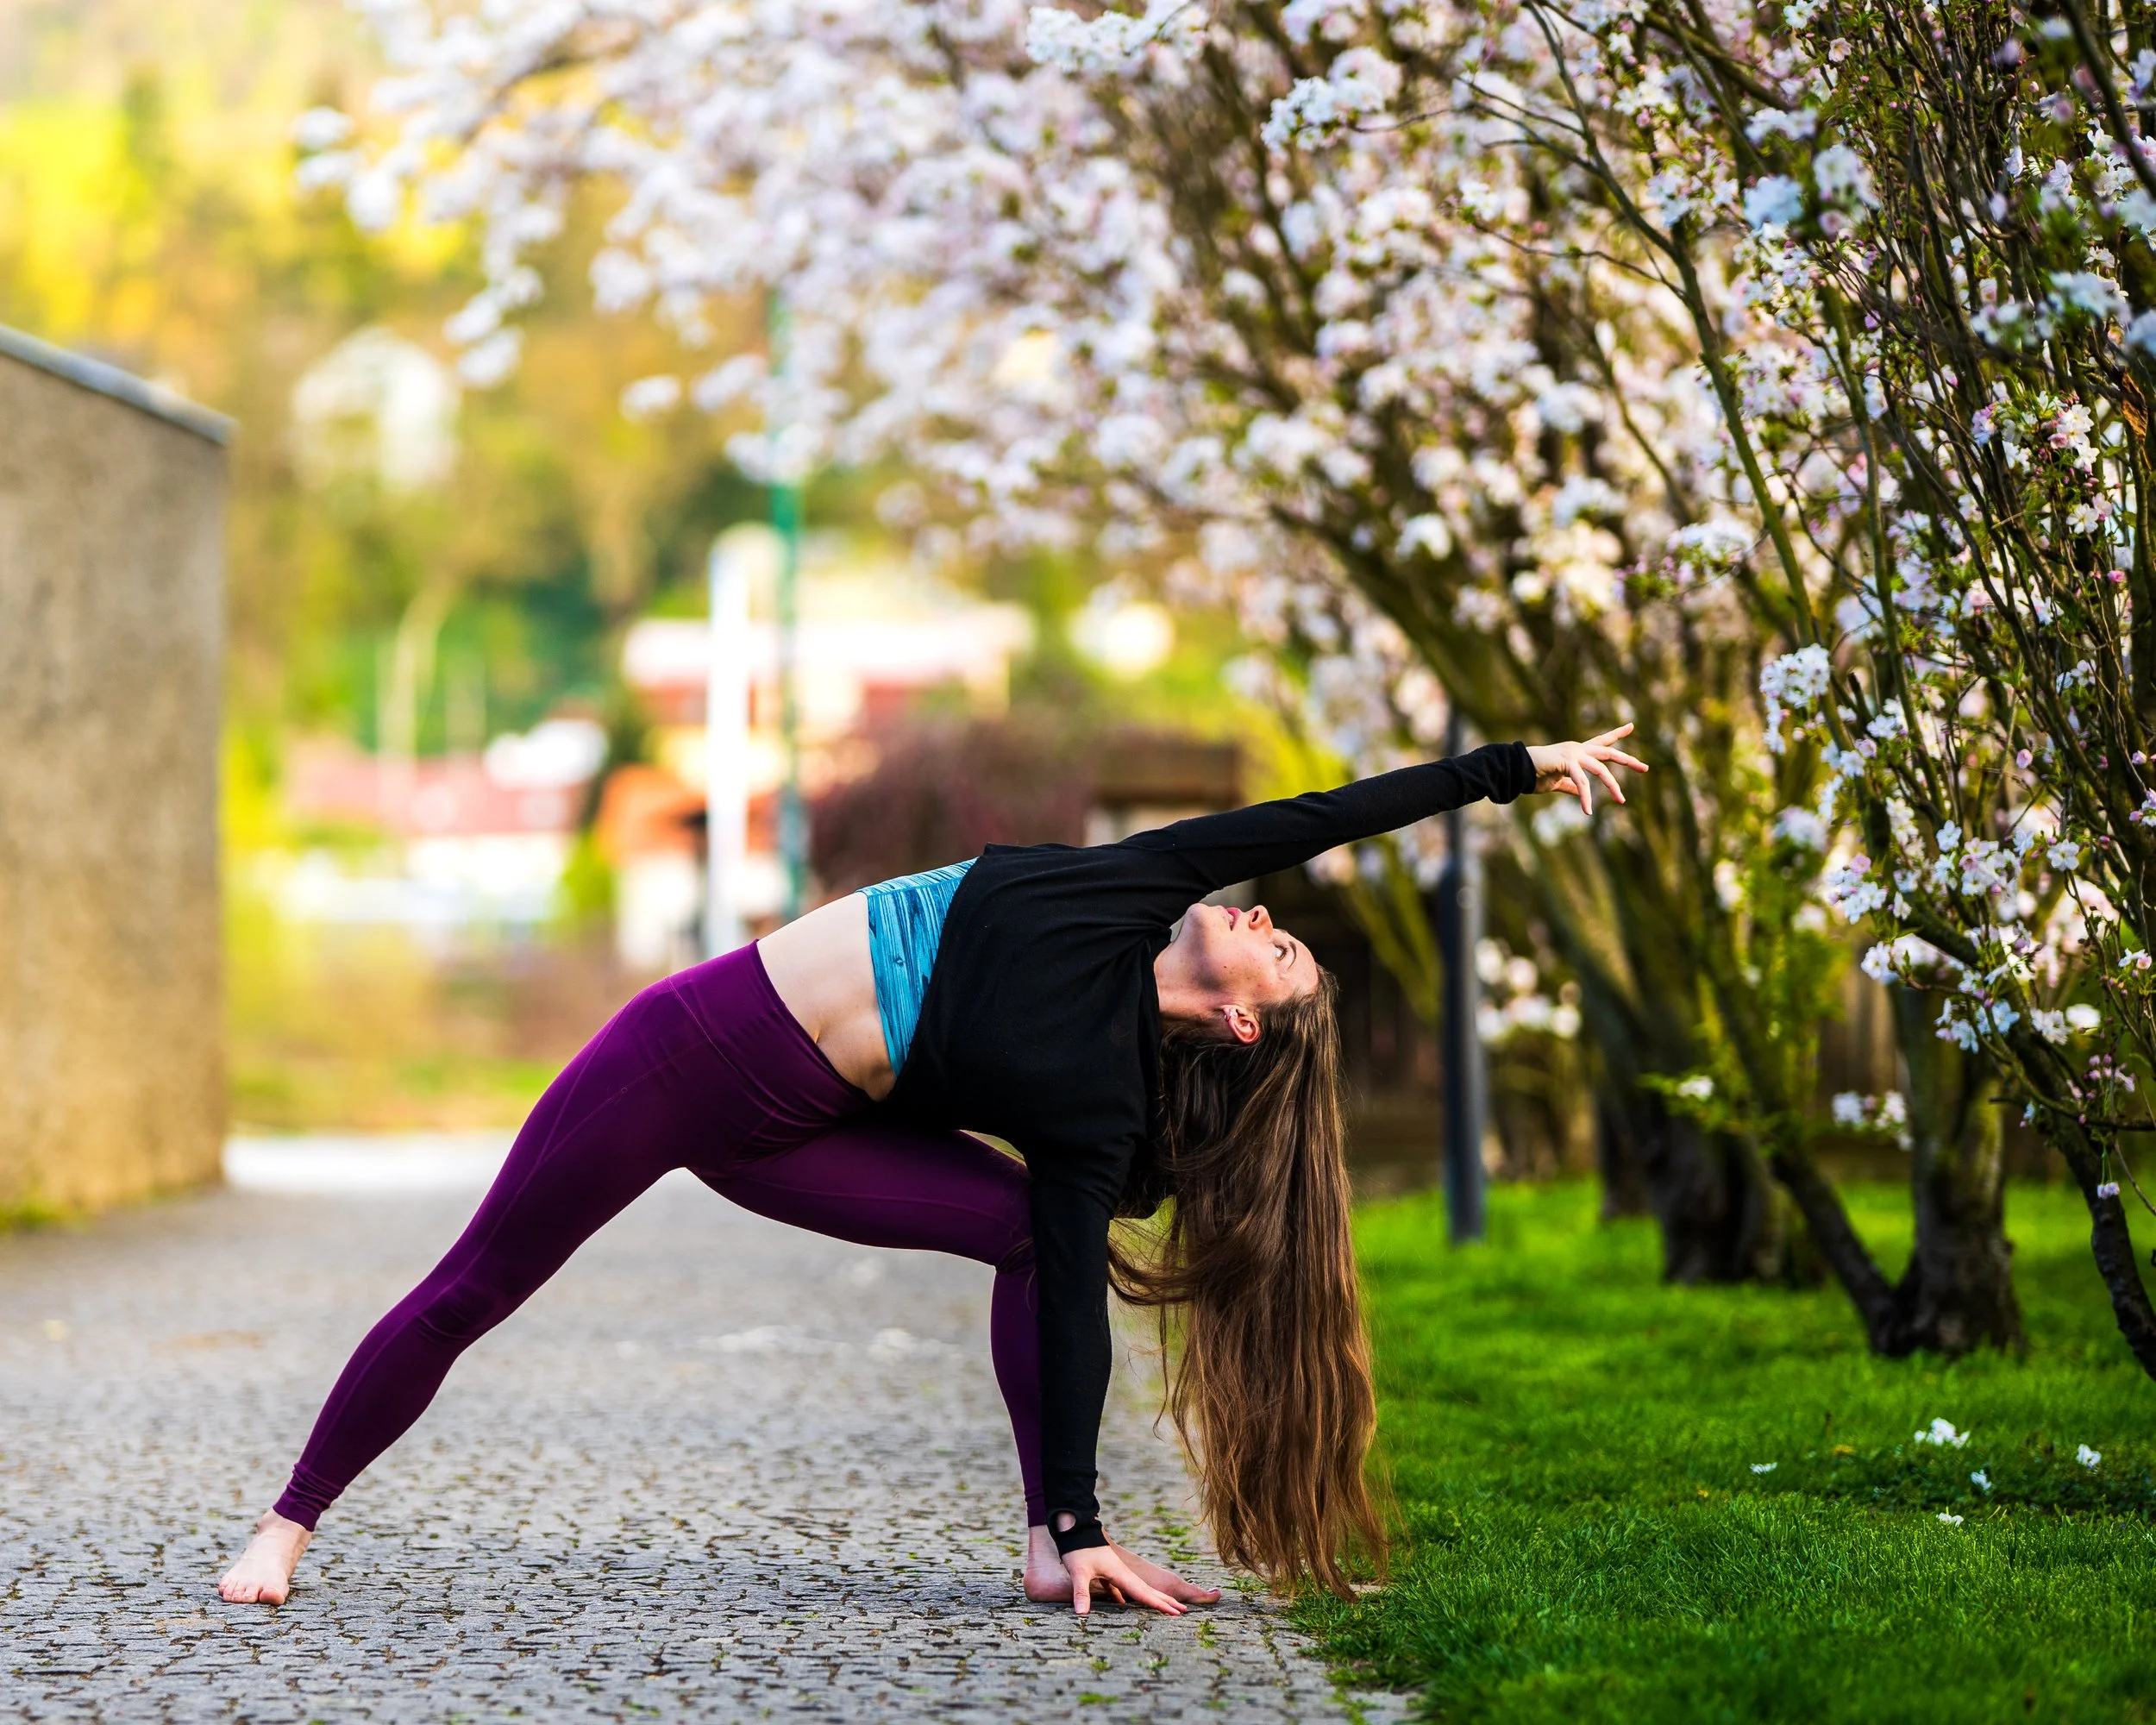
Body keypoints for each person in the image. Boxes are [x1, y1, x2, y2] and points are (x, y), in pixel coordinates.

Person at [218, 726, 1645, 1614]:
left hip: (807, 1135)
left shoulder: (1099, 1111)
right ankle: (291, 1524)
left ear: (1243, 1014)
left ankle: (1050, 1542)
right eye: (1274, 922)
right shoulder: (1139, 883)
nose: (1264, 915)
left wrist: (1085, 1517)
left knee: (1043, 1234)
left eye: (1279, 947)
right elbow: (1331, 811)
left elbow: (1079, 1298)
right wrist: (1521, 768)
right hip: (694, 1056)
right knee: (481, 1282)